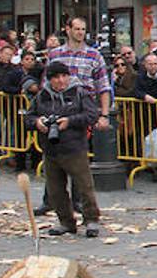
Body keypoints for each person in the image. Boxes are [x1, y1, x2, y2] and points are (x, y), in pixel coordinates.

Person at [25, 60, 102, 237]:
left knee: (84, 186)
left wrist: (70, 121)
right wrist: (37, 122)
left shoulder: (79, 93)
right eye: (56, 77)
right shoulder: (42, 96)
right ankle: (66, 222)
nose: (61, 81)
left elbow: (91, 115)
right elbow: (28, 117)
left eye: (64, 76)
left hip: (74, 147)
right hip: (51, 149)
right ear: (50, 80)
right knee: (55, 190)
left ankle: (91, 220)